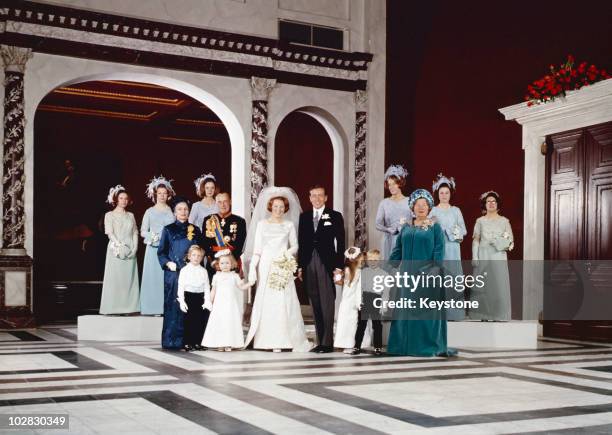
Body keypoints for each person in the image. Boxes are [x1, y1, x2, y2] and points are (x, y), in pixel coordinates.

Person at [387, 188, 456, 357]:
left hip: (427, 276)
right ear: (412, 207)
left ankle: (426, 346)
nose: (421, 207)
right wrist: (386, 268)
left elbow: (439, 252)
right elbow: (397, 251)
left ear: (429, 207)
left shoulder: (435, 228)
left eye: (424, 204)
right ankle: (403, 346)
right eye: (417, 204)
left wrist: (433, 271)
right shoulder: (406, 228)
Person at [244, 188, 312, 352]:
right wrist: (253, 267)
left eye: (281, 207)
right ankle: (265, 340)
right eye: (276, 207)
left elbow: (295, 245)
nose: (278, 210)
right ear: (270, 207)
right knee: (267, 299)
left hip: (282, 263)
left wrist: (286, 254)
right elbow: (258, 249)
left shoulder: (288, 225)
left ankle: (284, 340)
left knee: (283, 300)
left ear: (285, 208)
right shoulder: (261, 224)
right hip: (266, 264)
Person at [297, 185, 345, 353]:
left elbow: (340, 243)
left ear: (326, 198)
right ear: (309, 198)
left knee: (327, 301)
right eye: (313, 195)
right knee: (315, 301)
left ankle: (327, 342)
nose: (317, 199)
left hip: (327, 262)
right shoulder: (304, 217)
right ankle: (319, 340)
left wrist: (339, 267)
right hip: (309, 262)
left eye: (320, 196)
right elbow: (302, 244)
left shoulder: (335, 216)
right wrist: (301, 266)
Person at [157, 197, 206, 350]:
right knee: (175, 305)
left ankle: (191, 340)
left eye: (185, 209)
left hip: (192, 273)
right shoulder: (168, 229)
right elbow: (161, 252)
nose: (183, 212)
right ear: (174, 212)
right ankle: (172, 340)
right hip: (174, 274)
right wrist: (167, 263)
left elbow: (201, 250)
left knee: (193, 306)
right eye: (179, 209)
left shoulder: (195, 229)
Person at [429, 173, 467, 321]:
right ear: (437, 194)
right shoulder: (433, 211)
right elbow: (429, 230)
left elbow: (463, 230)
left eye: (446, 193)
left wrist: (451, 232)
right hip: (440, 249)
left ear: (451, 194)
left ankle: (454, 313)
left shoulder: (456, 211)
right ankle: (439, 312)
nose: (444, 195)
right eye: (441, 193)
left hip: (453, 248)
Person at [471, 191, 514, 321]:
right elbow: (476, 239)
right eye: (488, 201)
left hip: (498, 255)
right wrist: (475, 256)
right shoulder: (480, 221)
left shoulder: (504, 221)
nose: (491, 204)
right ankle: (483, 314)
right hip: (483, 254)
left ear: (497, 204)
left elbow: (510, 241)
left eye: (493, 201)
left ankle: (499, 315)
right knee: (484, 285)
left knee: (498, 284)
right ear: (484, 204)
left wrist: (499, 243)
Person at [99, 185, 140, 315]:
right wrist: (119, 244)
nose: (124, 201)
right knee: (115, 278)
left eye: (126, 198)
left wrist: (135, 248)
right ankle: (113, 308)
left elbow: (135, 232)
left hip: (129, 248)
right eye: (121, 198)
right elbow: (109, 233)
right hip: (115, 248)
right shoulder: (109, 215)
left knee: (128, 279)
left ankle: (129, 308)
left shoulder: (131, 215)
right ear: (116, 199)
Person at [140, 176, 175, 315]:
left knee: (165, 279)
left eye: (164, 193)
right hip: (153, 249)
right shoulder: (149, 211)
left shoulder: (171, 211)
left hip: (167, 249)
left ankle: (165, 308)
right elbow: (142, 231)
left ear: (168, 195)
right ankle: (151, 308)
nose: (162, 196)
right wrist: (152, 236)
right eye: (159, 193)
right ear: (155, 194)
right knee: (152, 279)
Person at [202, 250, 250, 351]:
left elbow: (241, 287)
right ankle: (220, 343)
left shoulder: (235, 276)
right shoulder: (216, 277)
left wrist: (250, 284)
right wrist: (208, 301)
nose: (225, 265)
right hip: (219, 304)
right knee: (220, 322)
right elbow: (213, 291)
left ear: (232, 264)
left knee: (229, 322)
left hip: (230, 305)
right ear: (218, 265)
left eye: (227, 263)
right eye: (222, 263)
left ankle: (229, 343)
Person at [202, 192, 247, 279]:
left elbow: (241, 244)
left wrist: (228, 262)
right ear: (216, 203)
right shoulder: (209, 220)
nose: (222, 205)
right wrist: (214, 262)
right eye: (219, 202)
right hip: (213, 263)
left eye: (225, 201)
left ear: (230, 202)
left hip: (232, 262)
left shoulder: (240, 221)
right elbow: (205, 243)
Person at [177, 245, 211, 351]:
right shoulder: (184, 270)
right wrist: (182, 301)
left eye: (199, 256)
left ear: (202, 258)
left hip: (200, 297)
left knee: (200, 321)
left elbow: (206, 286)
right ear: (189, 256)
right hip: (189, 296)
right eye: (194, 255)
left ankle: (197, 342)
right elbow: (181, 286)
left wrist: (207, 300)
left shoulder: (203, 271)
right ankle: (187, 342)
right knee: (188, 321)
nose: (196, 258)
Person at [376, 165, 412, 260]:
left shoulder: (409, 201)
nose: (391, 187)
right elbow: (377, 224)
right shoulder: (384, 203)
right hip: (388, 240)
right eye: (389, 184)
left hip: (405, 240)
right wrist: (389, 229)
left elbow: (417, 220)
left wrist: (406, 225)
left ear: (400, 183)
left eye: (394, 184)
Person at [354, 249, 385, 355]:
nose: (373, 262)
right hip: (365, 300)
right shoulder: (363, 273)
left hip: (377, 300)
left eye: (375, 260)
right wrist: (359, 302)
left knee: (377, 325)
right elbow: (359, 288)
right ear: (367, 260)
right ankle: (357, 346)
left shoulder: (383, 273)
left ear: (379, 260)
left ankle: (378, 347)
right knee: (361, 325)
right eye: (370, 260)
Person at [334, 247, 364, 354]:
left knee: (344, 321)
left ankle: (341, 343)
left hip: (345, 300)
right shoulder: (359, 271)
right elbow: (359, 288)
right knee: (352, 322)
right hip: (353, 300)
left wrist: (338, 275)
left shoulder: (346, 270)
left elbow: (338, 282)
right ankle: (350, 344)